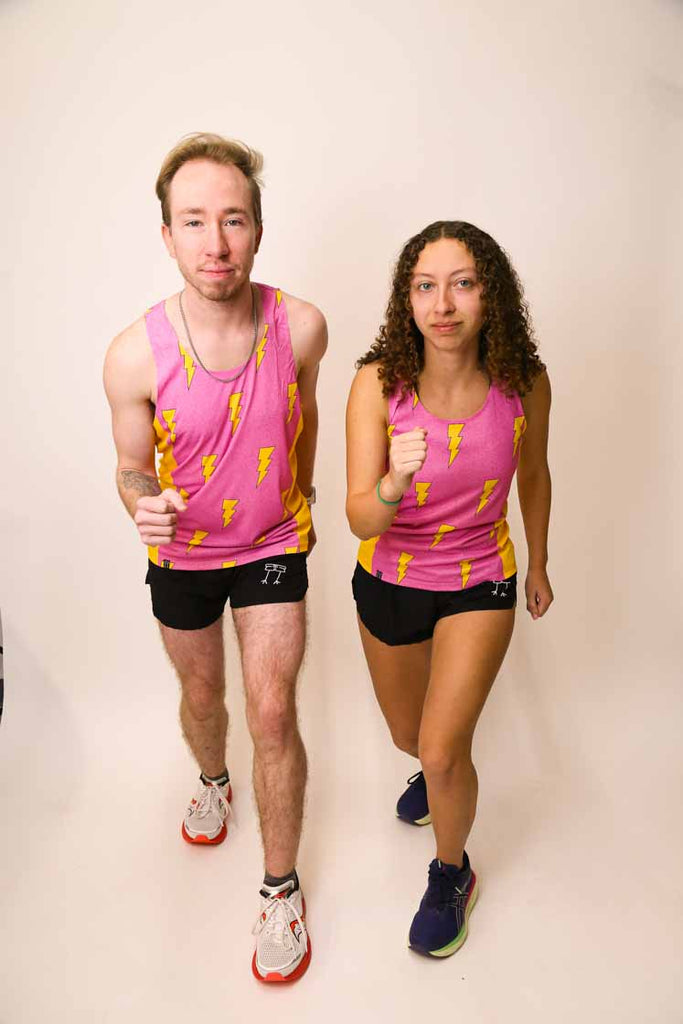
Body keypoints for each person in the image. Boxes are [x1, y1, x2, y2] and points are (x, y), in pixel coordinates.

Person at [104, 133, 327, 983]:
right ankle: (211, 778)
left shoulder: (301, 327)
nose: (216, 242)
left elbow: (303, 417)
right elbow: (131, 465)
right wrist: (140, 501)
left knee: (271, 711)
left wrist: (300, 501)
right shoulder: (133, 353)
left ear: (258, 228)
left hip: (271, 543)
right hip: (184, 553)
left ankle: (280, 890)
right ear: (167, 235)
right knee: (204, 696)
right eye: (194, 221)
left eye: (232, 219)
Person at [345, 220, 552, 958]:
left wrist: (538, 562)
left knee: (439, 750)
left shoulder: (524, 381)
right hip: (390, 579)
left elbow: (534, 474)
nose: (443, 304)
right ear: (406, 299)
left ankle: (451, 873)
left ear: (489, 294)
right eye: (425, 286)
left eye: (462, 284)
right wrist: (394, 481)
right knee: (410, 738)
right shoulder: (377, 384)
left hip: (480, 577)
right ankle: (431, 776)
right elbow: (359, 517)